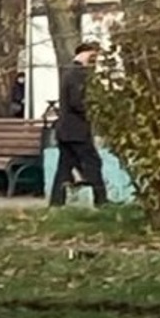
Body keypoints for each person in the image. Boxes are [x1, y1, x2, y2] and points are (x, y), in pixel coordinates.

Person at [50, 40, 108, 208]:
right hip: (77, 130)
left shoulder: (69, 72)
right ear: (85, 53)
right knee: (93, 162)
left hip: (65, 130)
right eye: (93, 56)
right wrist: (93, 109)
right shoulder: (78, 74)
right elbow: (77, 102)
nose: (95, 61)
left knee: (64, 169)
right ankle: (101, 201)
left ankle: (56, 203)